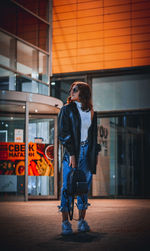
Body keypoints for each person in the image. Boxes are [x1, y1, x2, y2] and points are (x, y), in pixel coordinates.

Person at [58, 81, 101, 235]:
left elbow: (94, 135)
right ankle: (65, 223)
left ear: (83, 92)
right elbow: (64, 134)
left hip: (87, 151)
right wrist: (72, 154)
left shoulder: (91, 111)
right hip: (73, 153)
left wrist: (95, 154)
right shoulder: (66, 109)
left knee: (84, 186)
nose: (71, 91)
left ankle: (82, 221)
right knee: (67, 187)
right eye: (71, 89)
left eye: (75, 89)